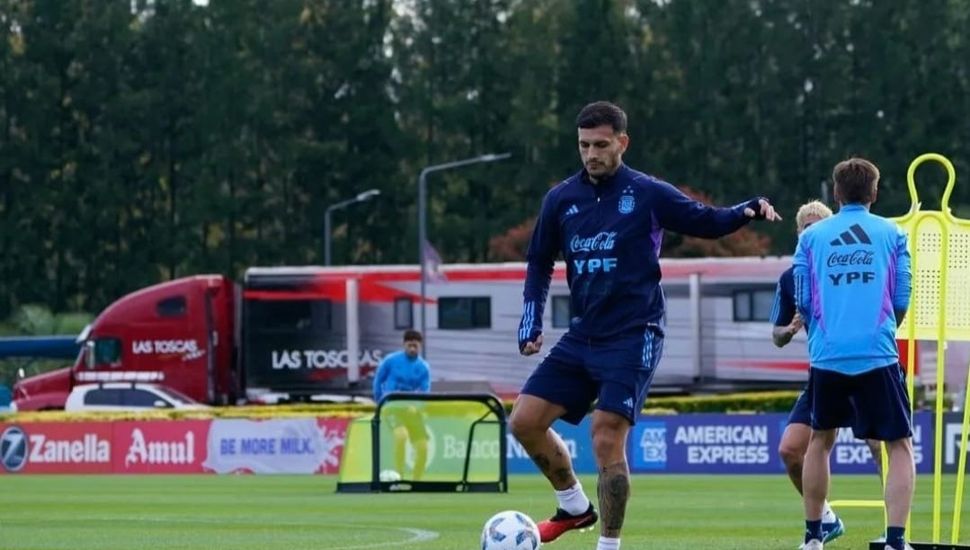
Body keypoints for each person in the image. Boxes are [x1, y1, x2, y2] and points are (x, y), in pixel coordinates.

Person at [509, 100, 781, 550]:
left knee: (604, 435)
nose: (591, 154)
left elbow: (703, 220)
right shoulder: (560, 200)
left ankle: (608, 546)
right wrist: (531, 318)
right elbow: (539, 261)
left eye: (600, 145)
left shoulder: (647, 193)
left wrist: (744, 210)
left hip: (635, 333)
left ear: (622, 142)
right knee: (524, 421)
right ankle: (574, 506)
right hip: (583, 334)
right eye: (583, 146)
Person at [793, 158, 914, 550]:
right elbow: (900, 298)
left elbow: (804, 300)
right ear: (874, 193)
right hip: (877, 354)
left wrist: (825, 337)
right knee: (898, 445)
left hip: (827, 355)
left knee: (819, 441)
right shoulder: (892, 233)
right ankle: (895, 540)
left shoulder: (811, 238)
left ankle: (813, 537)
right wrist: (881, 329)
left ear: (836, 193)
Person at [772, 200, 884, 548]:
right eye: (806, 226)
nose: (812, 230)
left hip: (864, 366)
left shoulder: (846, 268)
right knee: (791, 450)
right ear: (799, 233)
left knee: (880, 445)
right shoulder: (793, 277)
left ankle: (896, 530)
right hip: (823, 372)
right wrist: (789, 330)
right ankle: (825, 519)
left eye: (819, 224)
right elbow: (776, 335)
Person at [372, 329, 431, 481]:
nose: (412, 349)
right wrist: (380, 403)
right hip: (392, 408)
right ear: (404, 344)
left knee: (423, 447)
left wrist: (417, 407)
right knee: (401, 436)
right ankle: (399, 476)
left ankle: (417, 481)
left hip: (411, 411)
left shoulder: (424, 367)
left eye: (415, 346)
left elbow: (425, 392)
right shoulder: (391, 361)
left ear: (420, 346)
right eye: (409, 345)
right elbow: (378, 381)